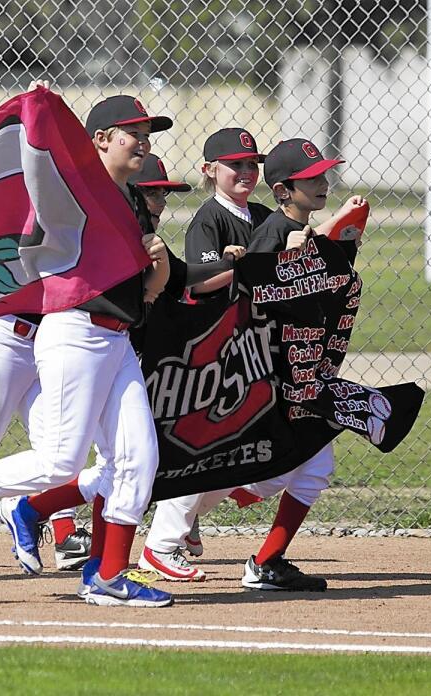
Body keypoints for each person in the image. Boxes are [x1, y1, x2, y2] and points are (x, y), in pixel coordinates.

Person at [0, 92, 182, 607]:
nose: (143, 142)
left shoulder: (129, 202)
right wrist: (40, 110)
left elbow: (147, 292)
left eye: (148, 134)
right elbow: (40, 191)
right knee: (60, 463)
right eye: (133, 133)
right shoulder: (75, 190)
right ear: (100, 139)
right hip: (75, 331)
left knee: (137, 457)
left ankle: (107, 575)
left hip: (117, 338)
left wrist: (157, 264)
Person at [138, 129, 273, 583]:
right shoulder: (210, 220)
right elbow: (196, 283)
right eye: (236, 165)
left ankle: (184, 518)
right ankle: (163, 537)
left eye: (252, 164)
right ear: (209, 170)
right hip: (218, 347)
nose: (247, 173)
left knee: (237, 455)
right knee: (208, 444)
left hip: (254, 342)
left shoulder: (261, 214)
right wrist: (240, 263)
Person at [231, 137, 365, 591]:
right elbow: (255, 294)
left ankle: (266, 561)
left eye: (323, 175)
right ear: (284, 190)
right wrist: (289, 254)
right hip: (275, 370)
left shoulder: (296, 228)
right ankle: (180, 515)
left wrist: (341, 233)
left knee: (313, 464)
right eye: (311, 179)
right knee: (255, 469)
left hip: (304, 367)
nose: (322, 182)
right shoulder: (272, 232)